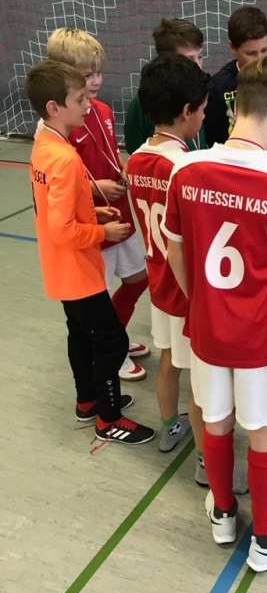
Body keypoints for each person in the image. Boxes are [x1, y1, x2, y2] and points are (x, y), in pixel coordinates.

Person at [163, 54, 267, 572]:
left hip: (207, 326)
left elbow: (175, 250)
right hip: (260, 336)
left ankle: (223, 514)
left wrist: (204, 302)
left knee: (216, 420)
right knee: (264, 431)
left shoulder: (185, 168)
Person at [128, 55, 248, 493]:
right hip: (187, 291)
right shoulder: (186, 168)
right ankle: (204, 462)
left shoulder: (135, 160)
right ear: (186, 112)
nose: (203, 117)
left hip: (159, 283)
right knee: (201, 384)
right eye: (202, 110)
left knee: (167, 359)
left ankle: (168, 428)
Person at [26, 60, 155, 446]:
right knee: (111, 341)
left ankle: (87, 402)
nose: (87, 105)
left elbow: (55, 208)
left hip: (59, 266)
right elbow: (62, 229)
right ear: (54, 107)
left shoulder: (44, 146)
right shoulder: (66, 159)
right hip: (77, 267)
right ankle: (108, 419)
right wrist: (103, 231)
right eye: (79, 99)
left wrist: (92, 211)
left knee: (81, 335)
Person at [46, 27, 150, 382]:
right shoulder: (59, 124)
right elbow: (61, 179)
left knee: (138, 279)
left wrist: (121, 166)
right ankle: (108, 351)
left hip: (120, 216)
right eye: (86, 76)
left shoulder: (102, 109)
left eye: (98, 73)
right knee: (96, 300)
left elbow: (107, 151)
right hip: (92, 226)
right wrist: (95, 187)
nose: (96, 81)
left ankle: (115, 338)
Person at [124, 18, 205, 155]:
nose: (197, 66)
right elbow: (135, 150)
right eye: (189, 59)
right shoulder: (142, 103)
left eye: (200, 57)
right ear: (167, 60)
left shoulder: (202, 93)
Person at [203, 6, 267, 148]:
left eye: (265, 50)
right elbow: (212, 136)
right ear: (233, 47)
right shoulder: (219, 86)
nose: (259, 60)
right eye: (251, 53)